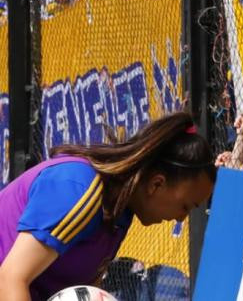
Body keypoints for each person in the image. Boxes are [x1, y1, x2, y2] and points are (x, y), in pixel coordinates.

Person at [0, 112, 215, 300]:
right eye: (185, 206)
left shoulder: (119, 212)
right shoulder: (80, 190)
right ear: (156, 184)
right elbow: (10, 279)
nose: (181, 218)